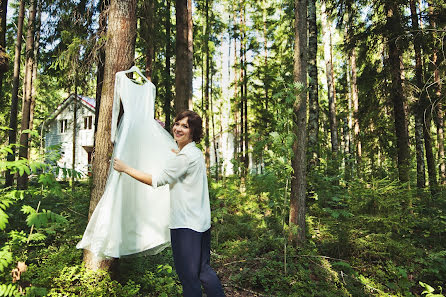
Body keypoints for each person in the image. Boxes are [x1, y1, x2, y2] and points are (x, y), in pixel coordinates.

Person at [113, 110, 226, 297]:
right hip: (201, 224)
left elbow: (156, 180)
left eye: (185, 126)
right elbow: (180, 162)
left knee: (189, 279)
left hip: (186, 226)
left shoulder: (184, 158)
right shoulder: (194, 153)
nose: (178, 128)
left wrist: (126, 168)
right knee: (204, 271)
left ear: (193, 132)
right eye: (177, 124)